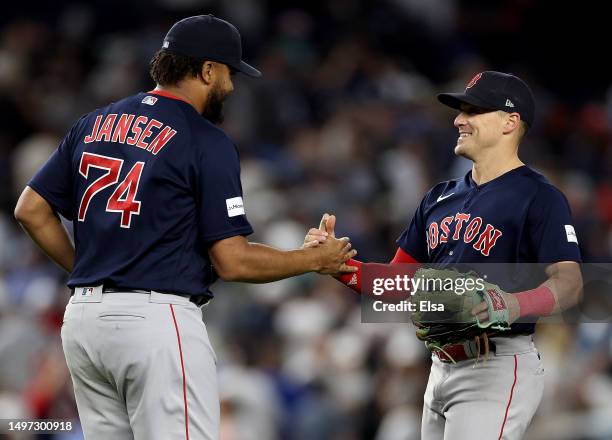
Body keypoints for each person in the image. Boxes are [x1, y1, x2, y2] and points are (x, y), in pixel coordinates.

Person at [14, 15, 357, 440]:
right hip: (154, 323)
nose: (231, 86)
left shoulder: (94, 122)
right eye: (229, 73)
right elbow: (232, 261)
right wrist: (313, 260)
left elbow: (30, 210)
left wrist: (88, 270)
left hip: (84, 322)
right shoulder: (204, 139)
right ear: (207, 70)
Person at [305, 71, 583, 439]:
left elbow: (570, 282)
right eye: (460, 111)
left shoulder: (538, 196)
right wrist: (337, 264)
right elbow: (395, 285)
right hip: (438, 369)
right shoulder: (439, 198)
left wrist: (512, 304)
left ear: (509, 122)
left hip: (495, 367)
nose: (458, 120)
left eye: (473, 110)